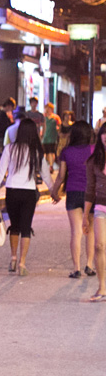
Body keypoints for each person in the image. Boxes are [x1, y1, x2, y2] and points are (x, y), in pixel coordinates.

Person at [0, 121, 54, 276]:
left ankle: (13, 258)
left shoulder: (10, 148)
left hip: (12, 191)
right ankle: (22, 263)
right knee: (26, 227)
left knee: (15, 226)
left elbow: (1, 171)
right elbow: (45, 174)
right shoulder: (36, 151)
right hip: (29, 192)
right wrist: (53, 191)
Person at [50, 121, 95, 278]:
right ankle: (89, 265)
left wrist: (54, 192)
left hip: (73, 192)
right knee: (90, 230)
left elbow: (61, 176)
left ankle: (76, 268)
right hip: (91, 193)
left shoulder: (66, 151)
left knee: (76, 231)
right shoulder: (93, 150)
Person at [84, 123, 106, 300]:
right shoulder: (94, 161)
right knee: (99, 246)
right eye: (104, 133)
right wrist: (85, 216)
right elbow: (90, 190)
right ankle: (102, 288)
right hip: (101, 207)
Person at [42, 103, 61, 169]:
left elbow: (59, 126)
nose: (48, 109)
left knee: (51, 151)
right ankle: (48, 164)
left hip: (52, 137)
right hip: (45, 137)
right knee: (46, 152)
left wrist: (58, 129)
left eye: (50, 108)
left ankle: (51, 165)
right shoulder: (43, 116)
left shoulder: (56, 117)